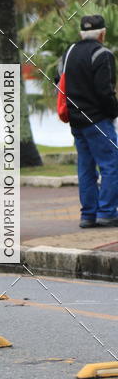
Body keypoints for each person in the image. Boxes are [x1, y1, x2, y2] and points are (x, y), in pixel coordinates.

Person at [57, 14, 118, 228]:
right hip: (98, 121)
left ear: (81, 33)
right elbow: (105, 92)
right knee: (112, 165)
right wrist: (114, 112)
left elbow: (58, 80)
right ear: (102, 34)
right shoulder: (103, 54)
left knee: (86, 169)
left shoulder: (69, 52)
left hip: (76, 122)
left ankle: (88, 216)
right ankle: (107, 212)